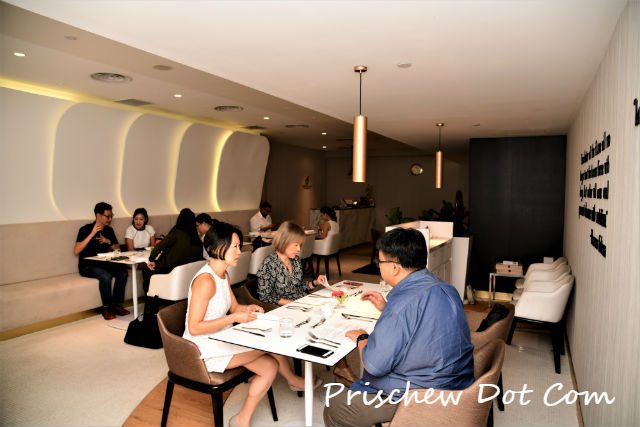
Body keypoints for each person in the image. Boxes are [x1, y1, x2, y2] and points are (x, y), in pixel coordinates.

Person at [323, 227, 475, 427]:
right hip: (458, 384)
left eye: (380, 261)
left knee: (335, 409)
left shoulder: (400, 307)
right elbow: (423, 322)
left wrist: (362, 338)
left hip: (423, 397)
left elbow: (374, 365)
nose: (378, 266)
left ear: (395, 268)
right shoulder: (446, 288)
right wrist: (387, 308)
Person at [183, 222, 319, 427]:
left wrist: (248, 309)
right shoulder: (205, 281)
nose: (239, 252)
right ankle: (293, 380)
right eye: (235, 247)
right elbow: (194, 328)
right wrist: (233, 319)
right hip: (203, 347)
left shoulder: (223, 274)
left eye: (239, 246)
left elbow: (234, 307)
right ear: (216, 248)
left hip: (222, 335)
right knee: (272, 344)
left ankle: (241, 419)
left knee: (270, 366)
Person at [74, 202, 129, 320]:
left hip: (104, 263)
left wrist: (108, 241)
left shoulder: (109, 230)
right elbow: (76, 250)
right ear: (98, 215)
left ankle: (116, 305)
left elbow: (117, 249)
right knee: (105, 276)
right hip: (87, 265)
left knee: (123, 272)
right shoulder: (85, 229)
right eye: (107, 216)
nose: (110, 219)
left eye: (111, 216)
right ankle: (107, 308)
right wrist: (92, 234)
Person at [256, 221, 327, 305]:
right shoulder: (269, 264)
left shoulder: (295, 260)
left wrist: (315, 282)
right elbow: (264, 297)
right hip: (283, 307)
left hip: (301, 302)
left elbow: (299, 287)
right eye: (296, 245)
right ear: (284, 242)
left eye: (300, 245)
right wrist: (291, 303)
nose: (299, 249)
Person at [143, 208, 203, 293]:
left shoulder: (176, 233)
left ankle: (151, 298)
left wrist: (151, 259)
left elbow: (159, 246)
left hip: (170, 269)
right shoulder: (196, 238)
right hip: (187, 274)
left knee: (146, 271)